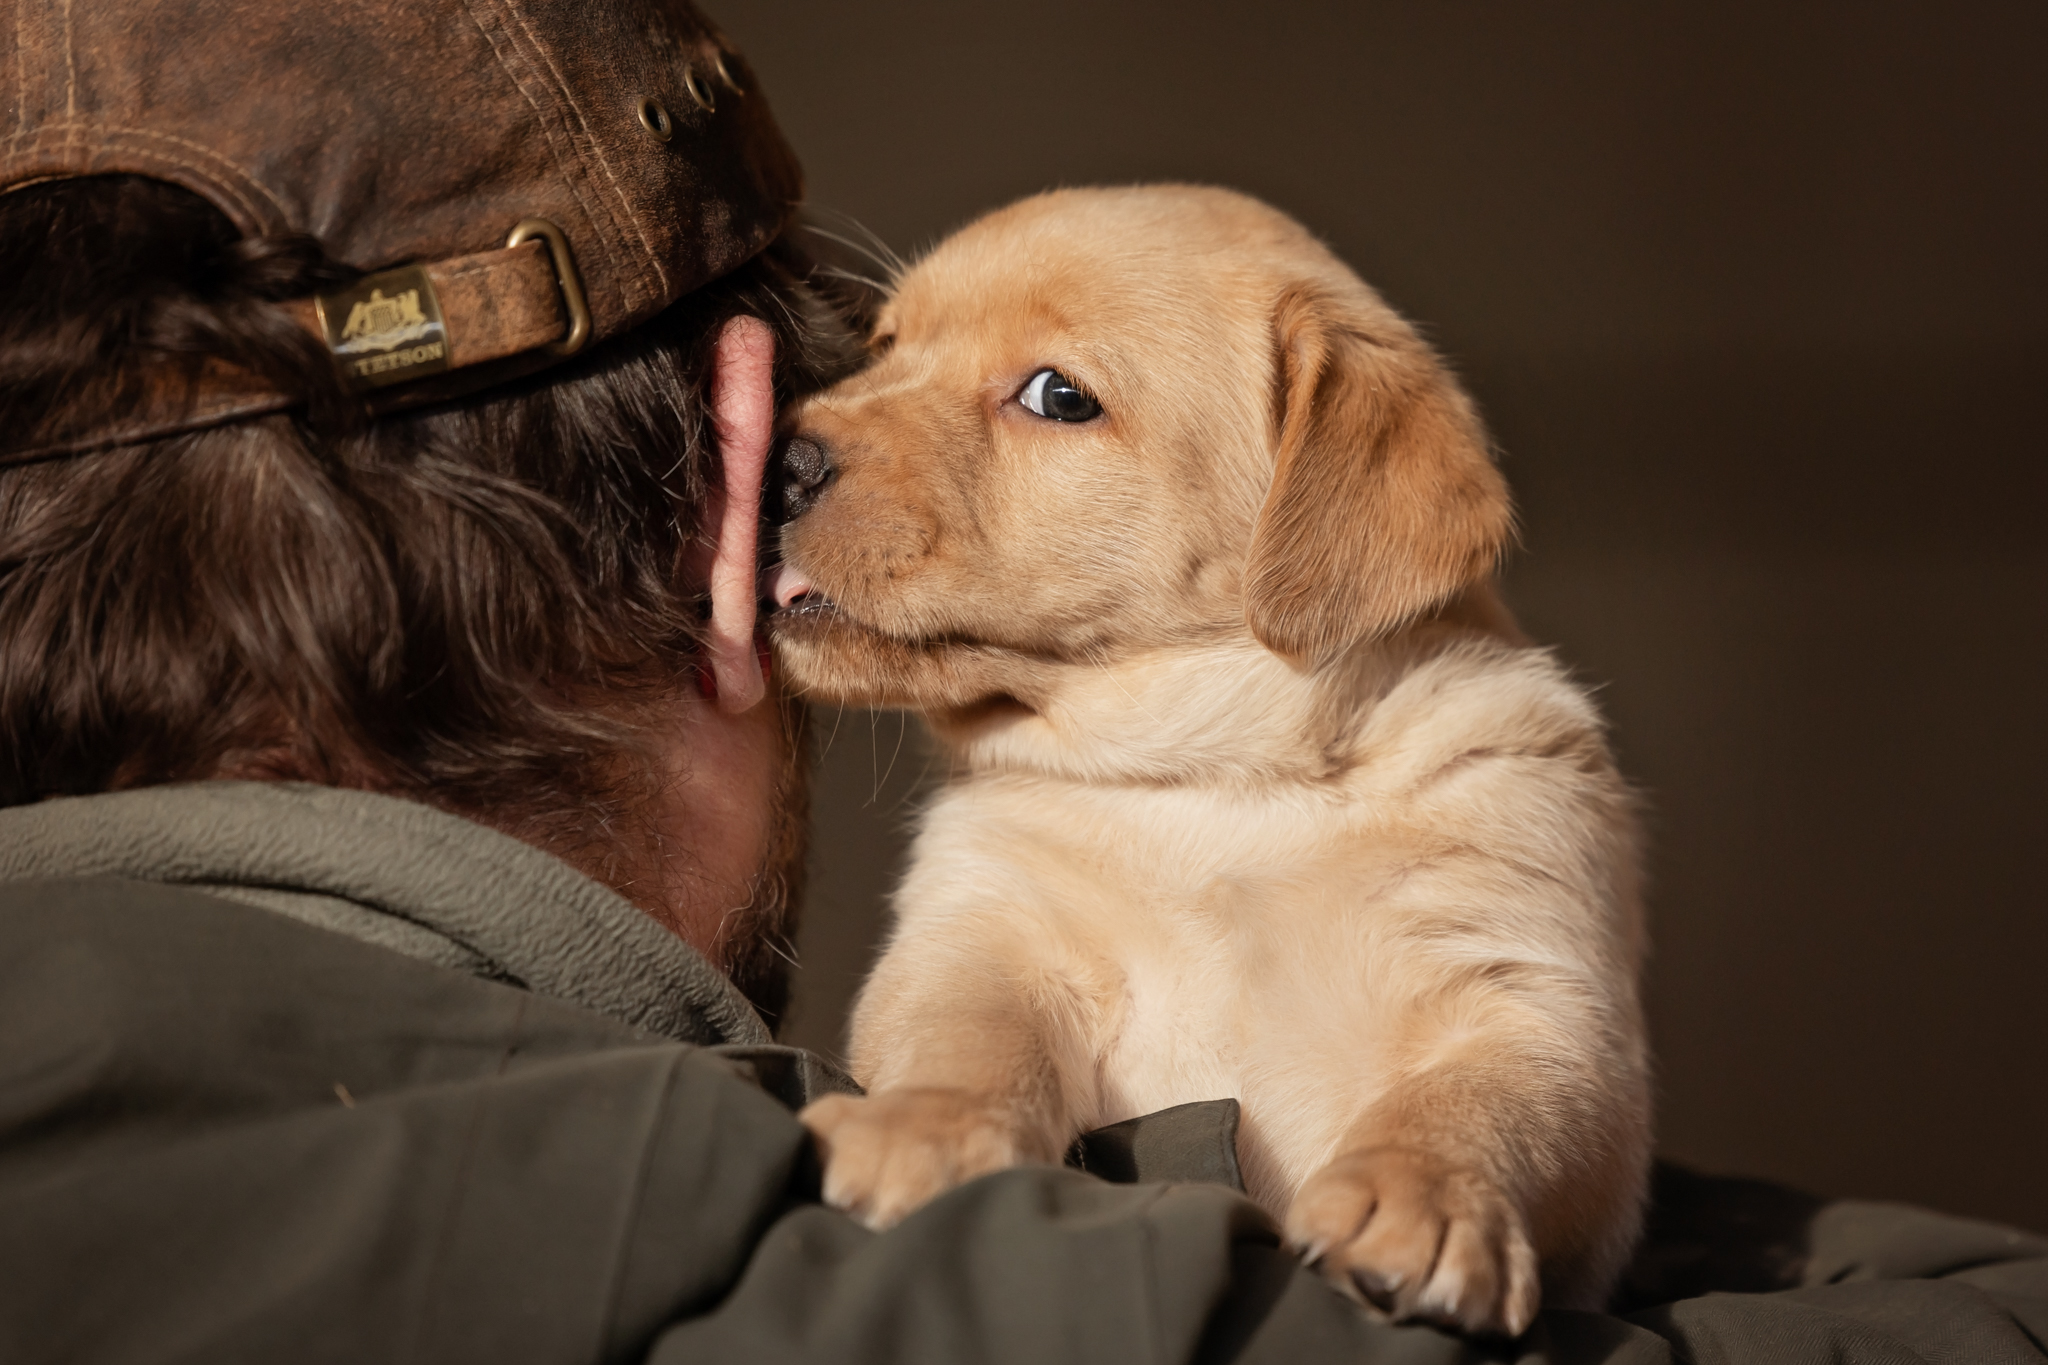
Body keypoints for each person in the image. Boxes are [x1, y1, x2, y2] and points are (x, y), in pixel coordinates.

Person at [0, 1, 2042, 1361]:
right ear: (733, 466)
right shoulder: (735, 1217)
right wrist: (973, 1098)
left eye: (1046, 394)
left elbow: (1527, 1055)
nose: (852, 424)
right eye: (878, 352)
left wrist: (1454, 1153)